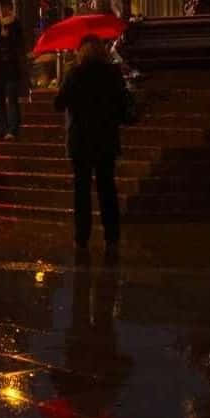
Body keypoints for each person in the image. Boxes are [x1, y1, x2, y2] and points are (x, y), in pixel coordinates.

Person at [54, 35, 133, 254]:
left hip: (80, 141)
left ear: (81, 52)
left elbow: (58, 104)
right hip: (106, 139)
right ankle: (112, 236)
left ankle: (82, 237)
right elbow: (121, 106)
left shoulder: (75, 74)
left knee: (82, 191)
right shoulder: (112, 74)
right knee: (107, 188)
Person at [0, 0, 26, 141]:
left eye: (6, 7)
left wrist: (9, 37)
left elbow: (20, 43)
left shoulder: (15, 23)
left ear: (10, 8)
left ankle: (13, 130)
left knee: (12, 100)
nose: (2, 10)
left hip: (10, 66)